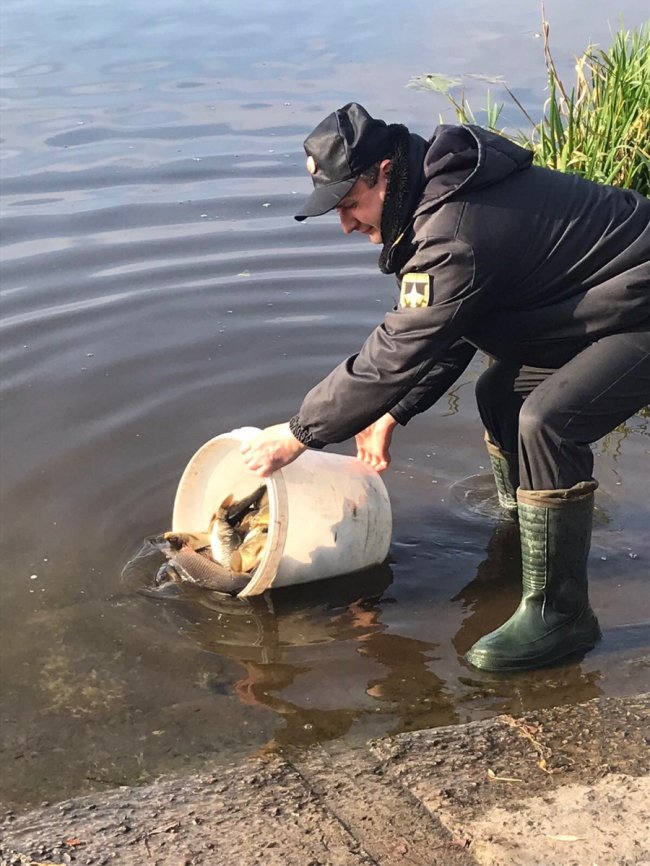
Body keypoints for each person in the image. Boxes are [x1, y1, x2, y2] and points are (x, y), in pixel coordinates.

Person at [240, 102, 650, 672]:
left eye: (351, 205)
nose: (347, 224)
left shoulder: (455, 230)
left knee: (548, 420)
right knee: (500, 394)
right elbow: (451, 325)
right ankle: (526, 536)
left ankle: (562, 615)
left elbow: (402, 344)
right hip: (609, 307)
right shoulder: (432, 208)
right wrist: (392, 412)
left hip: (640, 311)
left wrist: (298, 433)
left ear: (382, 172)